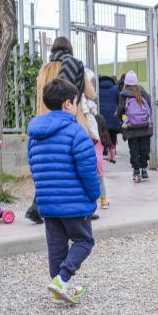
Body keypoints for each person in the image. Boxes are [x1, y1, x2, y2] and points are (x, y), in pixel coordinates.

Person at [27, 79, 99, 304]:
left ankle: (58, 285)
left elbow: (34, 166)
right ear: (68, 103)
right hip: (74, 201)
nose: (77, 106)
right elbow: (88, 170)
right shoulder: (76, 133)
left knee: (56, 245)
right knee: (84, 241)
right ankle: (63, 278)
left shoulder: (35, 134)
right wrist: (93, 194)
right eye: (77, 102)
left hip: (48, 201)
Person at [26, 36, 96, 224]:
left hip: (44, 122)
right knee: (75, 165)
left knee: (50, 167)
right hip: (68, 122)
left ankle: (38, 206)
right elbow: (92, 94)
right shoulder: (75, 65)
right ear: (70, 50)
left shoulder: (44, 69)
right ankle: (82, 208)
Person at [116, 70, 153, 183]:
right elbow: (149, 108)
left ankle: (136, 171)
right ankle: (144, 170)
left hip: (131, 129)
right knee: (144, 149)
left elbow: (120, 111)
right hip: (144, 127)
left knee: (134, 150)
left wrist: (124, 121)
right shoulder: (143, 91)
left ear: (126, 83)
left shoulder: (124, 94)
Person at [98, 75, 121, 163]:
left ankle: (103, 150)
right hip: (112, 115)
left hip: (101, 115)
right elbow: (118, 101)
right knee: (112, 133)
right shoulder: (115, 89)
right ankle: (112, 150)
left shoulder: (97, 89)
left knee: (101, 133)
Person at [95, 114, 113, 209]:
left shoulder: (90, 134)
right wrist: (110, 158)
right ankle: (103, 201)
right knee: (100, 180)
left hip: (89, 159)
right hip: (99, 161)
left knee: (90, 180)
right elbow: (111, 148)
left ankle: (92, 201)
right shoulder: (104, 135)